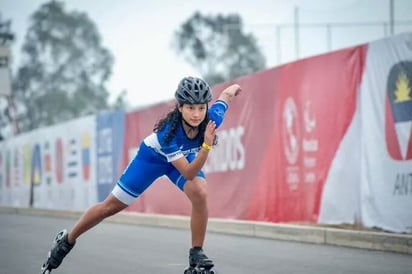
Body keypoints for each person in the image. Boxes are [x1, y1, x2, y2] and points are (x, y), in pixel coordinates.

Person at [41, 76, 242, 272]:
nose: (197, 114)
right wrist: (206, 144)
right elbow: (189, 173)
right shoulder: (167, 133)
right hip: (152, 159)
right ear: (179, 107)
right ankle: (66, 241)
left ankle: (196, 254)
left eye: (201, 107)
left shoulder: (211, 119)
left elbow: (225, 98)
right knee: (110, 207)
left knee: (200, 193)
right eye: (190, 107)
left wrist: (232, 88)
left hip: (179, 160)